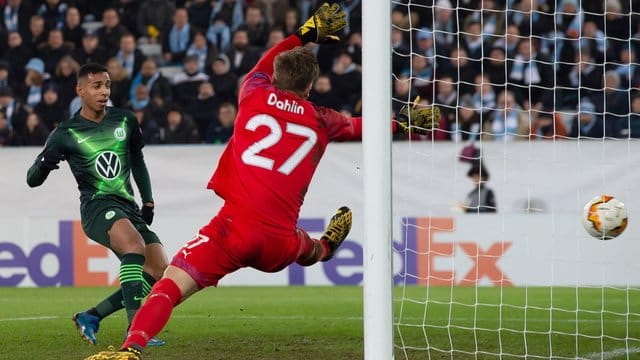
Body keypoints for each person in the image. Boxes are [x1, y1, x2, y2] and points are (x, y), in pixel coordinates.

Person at [85, 3, 440, 359]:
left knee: (168, 289)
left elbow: (266, 61)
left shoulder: (252, 93)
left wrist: (306, 33)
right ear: (310, 86)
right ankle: (326, 247)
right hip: (278, 241)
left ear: (275, 75)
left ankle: (131, 350)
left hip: (232, 229)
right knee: (307, 250)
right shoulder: (322, 119)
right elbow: (362, 127)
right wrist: (402, 123)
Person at [26, 63, 169, 347]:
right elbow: (32, 179)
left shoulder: (125, 120)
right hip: (96, 207)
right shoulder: (66, 132)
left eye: (107, 85)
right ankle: (135, 329)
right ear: (80, 90)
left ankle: (91, 316)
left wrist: (148, 199)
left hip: (127, 206)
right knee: (134, 246)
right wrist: (43, 165)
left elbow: (137, 161)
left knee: (157, 268)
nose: (104, 92)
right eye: (96, 86)